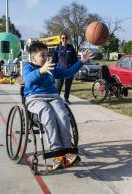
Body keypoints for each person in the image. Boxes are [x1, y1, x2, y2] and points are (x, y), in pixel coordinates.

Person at [23, 42, 93, 170]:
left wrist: (81, 61)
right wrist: (40, 71)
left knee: (62, 115)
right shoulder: (29, 67)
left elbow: (68, 72)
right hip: (35, 98)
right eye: (42, 55)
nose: (46, 57)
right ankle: (57, 152)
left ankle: (67, 152)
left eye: (47, 54)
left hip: (53, 97)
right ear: (33, 57)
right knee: (47, 113)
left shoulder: (51, 68)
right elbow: (27, 79)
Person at [53, 33, 78, 104]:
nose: (64, 39)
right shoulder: (57, 48)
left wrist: (73, 69)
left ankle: (66, 99)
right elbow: (54, 59)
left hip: (69, 71)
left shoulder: (71, 48)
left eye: (66, 38)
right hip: (59, 71)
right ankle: (56, 99)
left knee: (68, 86)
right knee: (58, 86)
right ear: (60, 39)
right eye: (63, 38)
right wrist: (53, 69)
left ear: (68, 39)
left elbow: (75, 60)